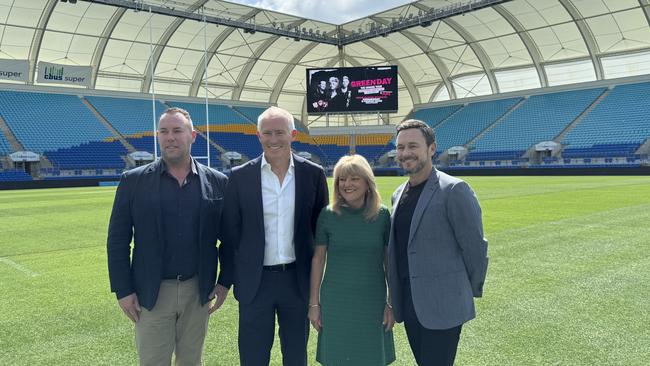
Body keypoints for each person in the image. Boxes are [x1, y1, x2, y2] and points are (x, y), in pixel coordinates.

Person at [107, 107, 230, 365]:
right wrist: (123, 290)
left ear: (193, 135)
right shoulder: (133, 181)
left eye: (177, 130)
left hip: (197, 291)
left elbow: (229, 238)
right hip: (151, 292)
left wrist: (224, 281)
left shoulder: (217, 181)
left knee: (191, 361)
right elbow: (118, 240)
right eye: (164, 131)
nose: (170, 137)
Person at [220, 106, 329, 366]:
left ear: (292, 134)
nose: (273, 139)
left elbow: (321, 232)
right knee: (253, 357)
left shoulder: (312, 174)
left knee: (295, 357)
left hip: (296, 281)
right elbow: (230, 235)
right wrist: (225, 280)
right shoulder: (239, 177)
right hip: (254, 284)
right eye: (267, 133)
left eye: (280, 132)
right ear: (258, 136)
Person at [388, 119, 488, 366]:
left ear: (431, 148)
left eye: (413, 146)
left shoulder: (454, 190)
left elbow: (475, 247)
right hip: (411, 303)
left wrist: (462, 291)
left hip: (444, 305)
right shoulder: (398, 194)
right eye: (400, 148)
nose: (405, 153)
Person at [309, 154, 396, 366]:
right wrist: (314, 304)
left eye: (354, 178)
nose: (347, 184)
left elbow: (389, 263)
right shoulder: (327, 215)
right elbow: (318, 260)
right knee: (337, 357)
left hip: (372, 301)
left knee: (371, 357)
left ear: (367, 182)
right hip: (336, 302)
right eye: (341, 179)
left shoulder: (383, 216)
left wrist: (392, 304)